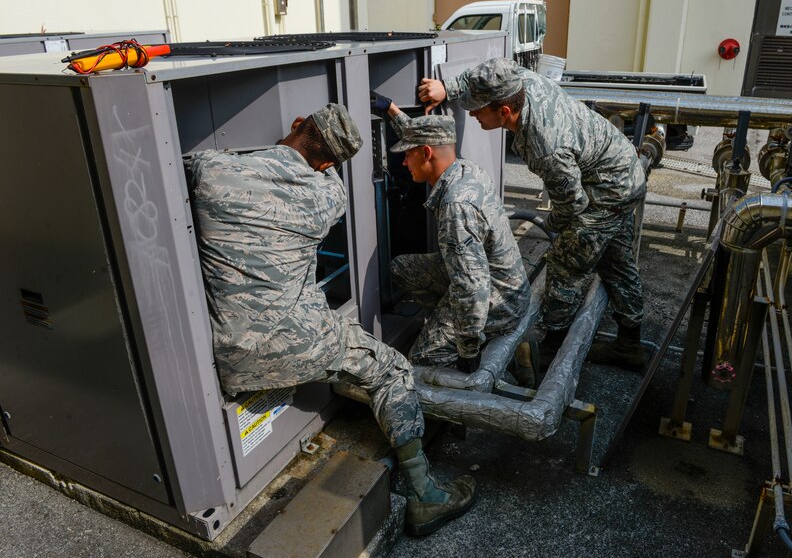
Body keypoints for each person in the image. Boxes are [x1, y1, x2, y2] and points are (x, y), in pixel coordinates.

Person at [186, 103, 476, 536]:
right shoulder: (328, 196)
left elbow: (198, 161)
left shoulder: (209, 172)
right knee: (392, 369)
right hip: (302, 342)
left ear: (298, 124)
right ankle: (426, 495)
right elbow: (328, 178)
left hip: (229, 353)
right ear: (327, 164)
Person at [418, 58, 647, 371]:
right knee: (617, 260)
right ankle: (630, 343)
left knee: (565, 263)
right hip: (621, 168)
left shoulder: (545, 145)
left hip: (607, 190)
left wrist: (553, 228)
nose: (471, 114)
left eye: (478, 109)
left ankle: (552, 352)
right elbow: (496, 67)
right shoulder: (518, 81)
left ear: (504, 112)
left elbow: (572, 204)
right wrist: (448, 88)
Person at [370, 93, 531, 377]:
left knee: (419, 362)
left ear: (426, 153)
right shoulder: (464, 169)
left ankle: (470, 338)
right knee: (402, 269)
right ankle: (448, 323)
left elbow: (472, 285)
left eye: (408, 154)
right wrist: (391, 110)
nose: (405, 163)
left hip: (500, 301)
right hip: (498, 282)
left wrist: (468, 348)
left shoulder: (457, 206)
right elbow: (427, 137)